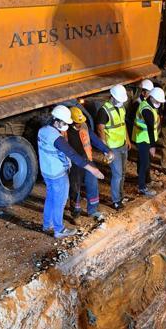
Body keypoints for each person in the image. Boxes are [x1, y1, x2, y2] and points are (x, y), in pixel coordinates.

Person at [38, 105, 104, 239]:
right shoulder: (57, 138)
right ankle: (59, 229)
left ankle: (47, 225)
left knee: (51, 198)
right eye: (63, 123)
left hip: (47, 171)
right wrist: (92, 168)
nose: (65, 126)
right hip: (58, 173)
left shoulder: (43, 131)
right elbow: (72, 154)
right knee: (60, 202)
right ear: (55, 120)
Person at [67, 106, 114, 222]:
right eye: (77, 122)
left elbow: (95, 140)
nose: (80, 124)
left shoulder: (84, 126)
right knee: (75, 188)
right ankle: (75, 213)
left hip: (87, 159)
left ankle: (93, 210)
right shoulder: (65, 131)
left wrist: (107, 150)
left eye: (81, 121)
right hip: (74, 163)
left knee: (92, 184)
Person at [96, 84, 130, 210]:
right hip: (113, 148)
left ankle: (121, 196)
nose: (121, 102)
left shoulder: (121, 108)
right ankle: (116, 201)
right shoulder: (103, 111)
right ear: (112, 97)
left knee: (122, 173)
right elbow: (100, 130)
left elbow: (123, 124)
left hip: (122, 145)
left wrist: (127, 138)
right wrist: (106, 150)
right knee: (117, 175)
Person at [133, 87, 166, 197]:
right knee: (144, 163)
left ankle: (147, 181)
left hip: (145, 138)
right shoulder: (146, 109)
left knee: (144, 162)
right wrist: (152, 146)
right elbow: (151, 128)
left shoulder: (149, 105)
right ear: (151, 98)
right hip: (143, 139)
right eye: (158, 101)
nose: (159, 104)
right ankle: (142, 187)